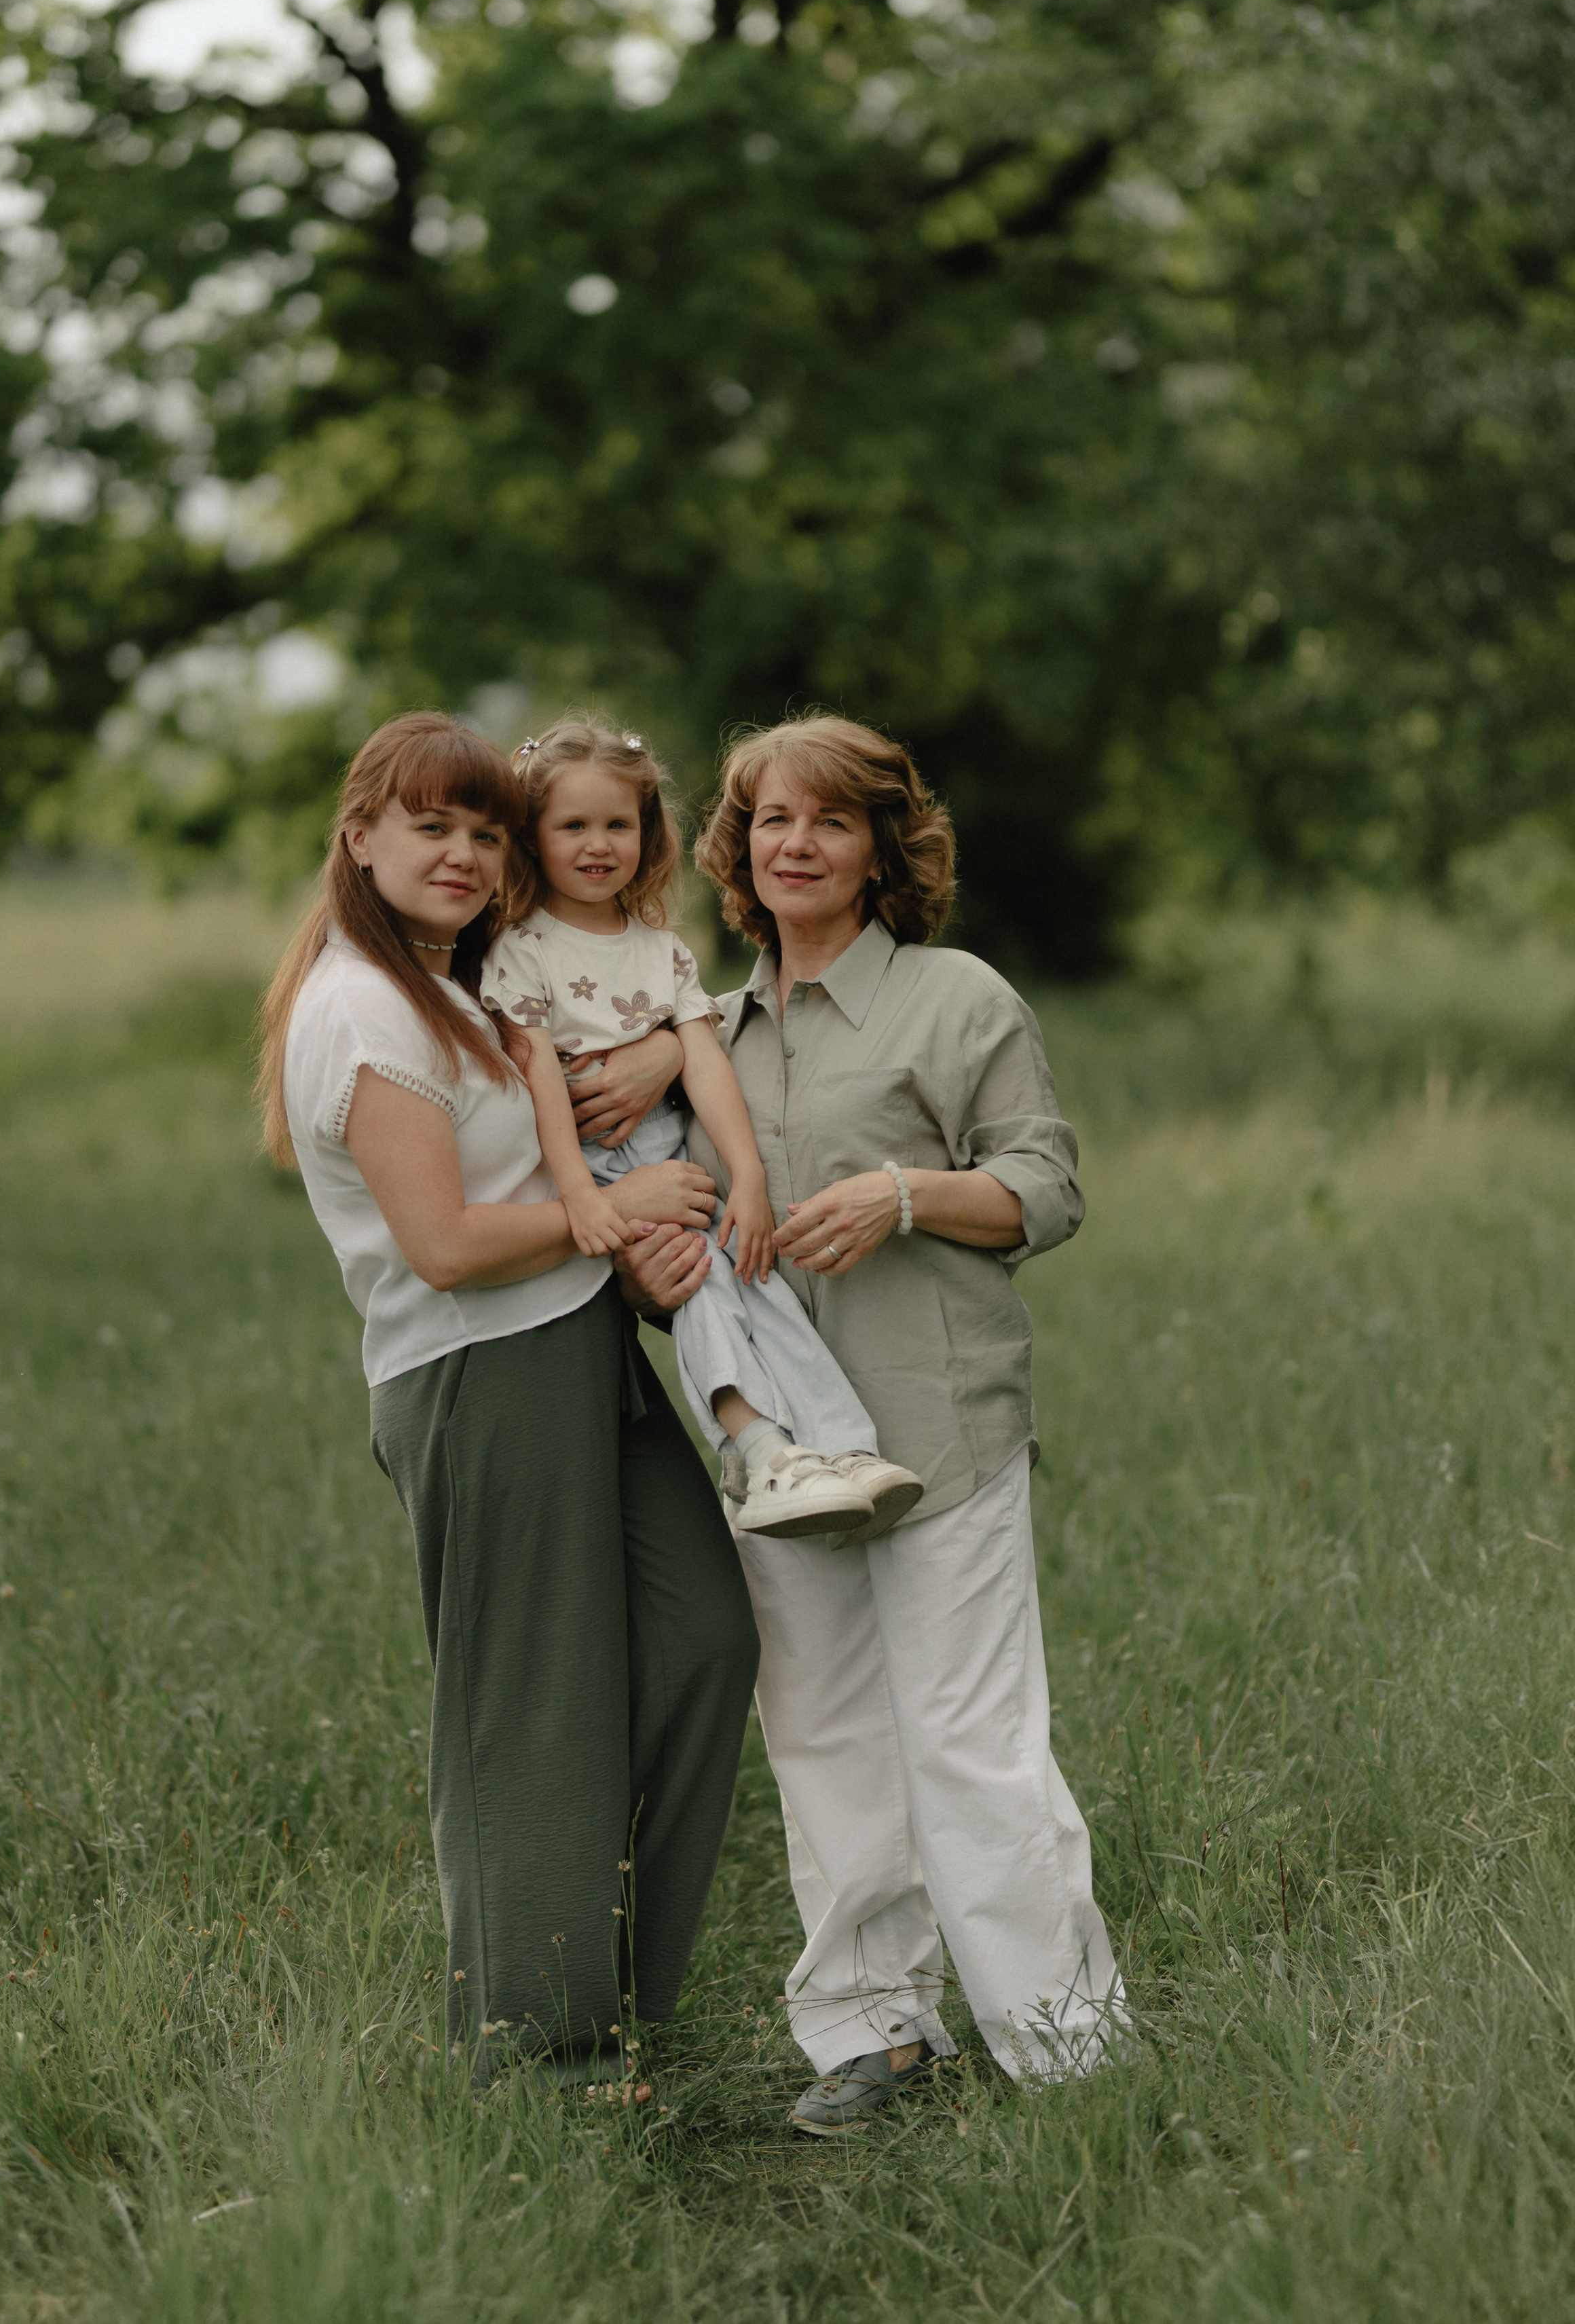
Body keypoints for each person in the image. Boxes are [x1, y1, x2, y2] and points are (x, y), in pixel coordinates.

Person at [619, 715, 1125, 2134]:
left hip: (938, 1422)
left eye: (829, 820)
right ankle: (875, 2031)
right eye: (770, 820)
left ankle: (1065, 2044)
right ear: (737, 850)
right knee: (825, 1736)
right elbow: (681, 1255)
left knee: (968, 1738)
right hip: (782, 1454)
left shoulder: (957, 1000)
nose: (795, 843)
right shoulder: (700, 1036)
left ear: (883, 846)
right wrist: (654, 1265)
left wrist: (904, 1195)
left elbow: (1045, 1188)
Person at [255, 710, 758, 2086]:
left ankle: (607, 1980)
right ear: (360, 837)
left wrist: (660, 1070)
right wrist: (621, 1211)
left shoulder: (459, 979)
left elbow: (613, 1030)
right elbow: (447, 1243)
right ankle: (541, 2057)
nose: (464, 855)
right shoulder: (362, 1007)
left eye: (487, 832)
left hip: (579, 1342)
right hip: (475, 1370)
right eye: (432, 827)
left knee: (704, 1637)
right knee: (533, 1708)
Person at [479, 717, 924, 1543]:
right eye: (571, 825)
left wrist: (747, 1177)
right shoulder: (520, 948)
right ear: (531, 837)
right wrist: (580, 1195)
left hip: (675, 1156)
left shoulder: (661, 951)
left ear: (646, 833)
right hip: (597, 1169)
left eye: (617, 824)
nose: (597, 845)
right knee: (702, 1283)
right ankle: (757, 1450)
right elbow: (539, 1080)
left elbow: (704, 1062)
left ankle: (842, 1447)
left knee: (758, 1278)